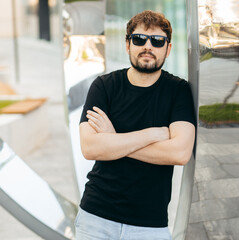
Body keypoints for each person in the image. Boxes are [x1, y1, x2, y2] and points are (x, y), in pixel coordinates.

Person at [76, 10, 196, 240]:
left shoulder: (177, 91)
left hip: (149, 225)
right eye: (139, 39)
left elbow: (180, 153)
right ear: (128, 45)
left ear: (168, 49)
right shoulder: (104, 87)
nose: (148, 46)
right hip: (96, 218)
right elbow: (90, 148)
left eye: (157, 41)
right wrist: (153, 133)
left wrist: (114, 139)